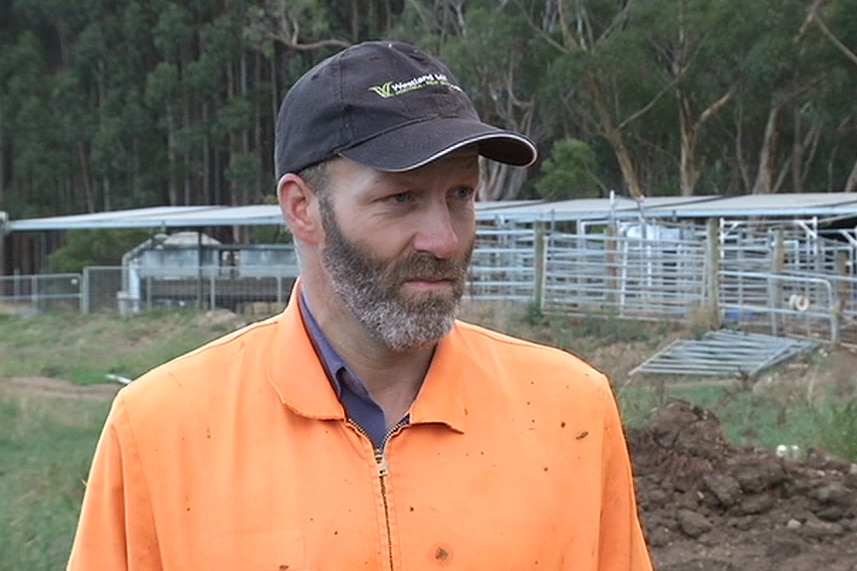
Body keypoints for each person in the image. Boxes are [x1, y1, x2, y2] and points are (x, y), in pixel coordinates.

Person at [68, 41, 653, 570]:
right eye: (401, 197)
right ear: (303, 208)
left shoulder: (569, 409)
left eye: (461, 195)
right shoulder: (159, 429)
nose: (444, 239)